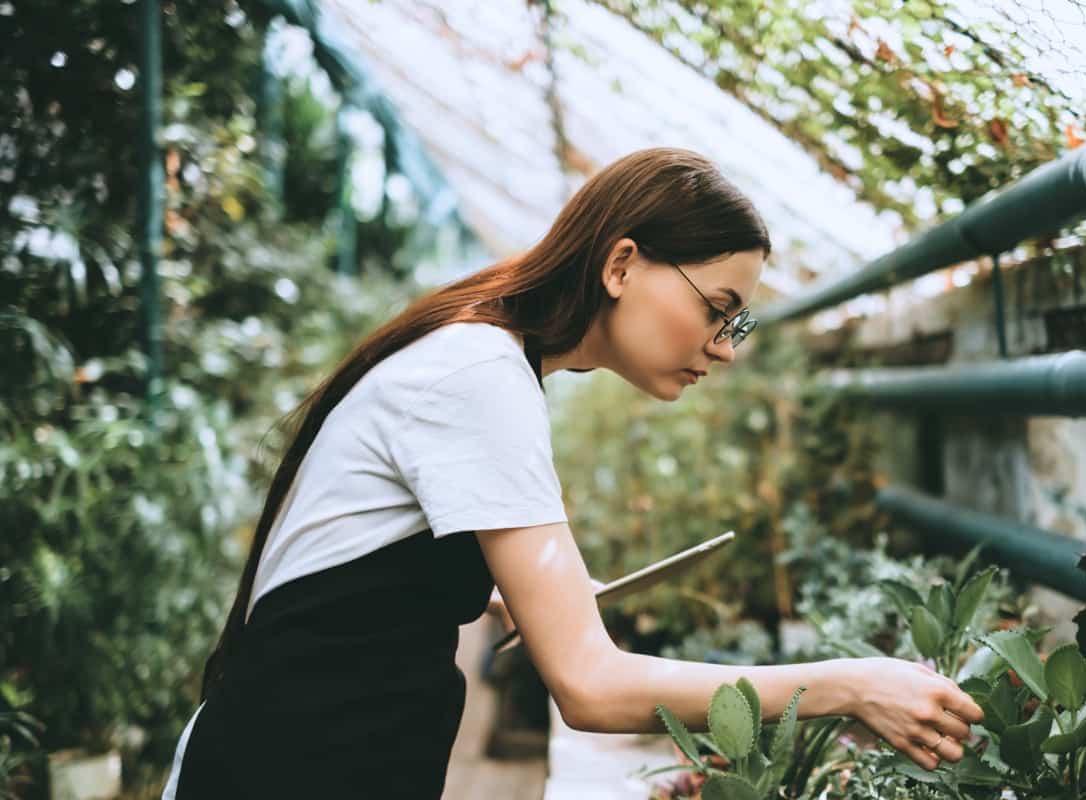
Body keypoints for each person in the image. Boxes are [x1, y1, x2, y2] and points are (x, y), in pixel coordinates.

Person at [161, 148, 983, 799]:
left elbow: (350, 573)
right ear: (621, 265)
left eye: (741, 322)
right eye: (716, 308)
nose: (727, 347)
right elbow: (588, 686)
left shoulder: (485, 352)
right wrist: (848, 683)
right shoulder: (481, 372)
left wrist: (502, 593)